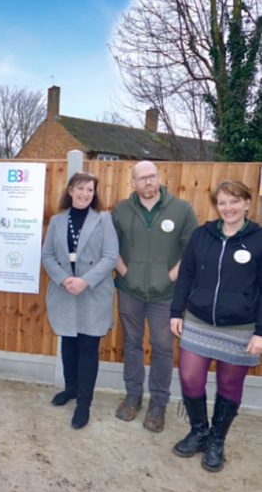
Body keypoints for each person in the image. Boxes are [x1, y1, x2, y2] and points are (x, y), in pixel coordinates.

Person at [170, 180, 262, 472]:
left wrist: (260, 331)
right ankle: (199, 431)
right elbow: (186, 275)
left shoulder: (259, 239)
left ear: (247, 203)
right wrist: (176, 312)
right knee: (190, 378)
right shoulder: (202, 235)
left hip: (241, 326)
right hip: (198, 320)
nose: (228, 208)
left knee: (229, 385)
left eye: (234, 201)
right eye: (222, 202)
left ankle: (217, 441)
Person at [112, 159, 196, 431]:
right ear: (133, 183)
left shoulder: (181, 210)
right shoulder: (121, 210)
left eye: (152, 176)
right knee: (132, 344)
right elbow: (110, 246)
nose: (148, 182)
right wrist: (125, 273)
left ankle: (158, 403)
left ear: (159, 178)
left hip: (166, 295)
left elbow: (191, 252)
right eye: (142, 178)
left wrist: (168, 277)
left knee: (162, 347)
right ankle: (133, 396)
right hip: (129, 292)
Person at [41, 171, 120, 429]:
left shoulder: (104, 220)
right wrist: (64, 279)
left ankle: (84, 403)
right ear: (70, 190)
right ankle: (71, 389)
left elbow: (110, 257)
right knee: (68, 344)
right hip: (64, 291)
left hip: (92, 292)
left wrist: (85, 281)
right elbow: (48, 256)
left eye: (90, 189)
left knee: (88, 348)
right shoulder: (57, 220)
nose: (85, 194)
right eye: (80, 188)